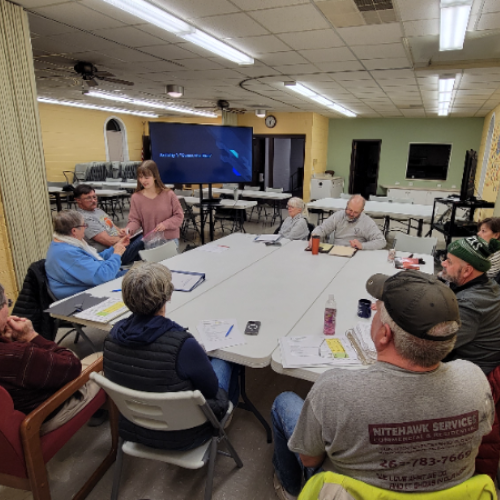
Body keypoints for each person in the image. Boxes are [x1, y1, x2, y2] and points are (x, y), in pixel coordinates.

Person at [272, 270, 494, 499]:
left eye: (378, 310)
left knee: (284, 402)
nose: (374, 311)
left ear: (384, 334)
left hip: (353, 492)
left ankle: (290, 489)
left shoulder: (334, 388)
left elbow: (310, 459)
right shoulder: (474, 379)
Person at [103, 263, 239, 450]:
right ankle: (224, 419)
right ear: (167, 296)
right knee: (227, 357)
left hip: (135, 428)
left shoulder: (111, 337)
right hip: (186, 435)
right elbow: (211, 390)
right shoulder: (183, 345)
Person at [0, 283, 99, 434]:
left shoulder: (15, 354)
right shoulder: (18, 355)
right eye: (8, 303)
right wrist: (31, 336)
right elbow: (72, 366)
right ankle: (102, 411)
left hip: (17, 410)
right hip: (42, 415)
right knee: (101, 359)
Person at [441, 236, 500, 374]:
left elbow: (435, 346)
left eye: (449, 262)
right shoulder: (489, 285)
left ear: (467, 271)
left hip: (471, 374)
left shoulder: (470, 304)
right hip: (468, 358)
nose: (443, 263)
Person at [46, 210, 127, 300]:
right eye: (84, 225)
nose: (85, 228)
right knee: (137, 282)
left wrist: (114, 248)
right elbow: (103, 276)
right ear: (74, 231)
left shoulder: (64, 243)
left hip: (88, 284)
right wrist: (117, 254)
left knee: (135, 274)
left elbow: (95, 258)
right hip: (81, 296)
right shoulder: (67, 253)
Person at [74, 184, 144, 265]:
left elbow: (112, 227)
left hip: (119, 245)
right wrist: (127, 238)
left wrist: (121, 231)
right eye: (88, 198)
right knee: (144, 238)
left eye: (94, 197)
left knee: (148, 236)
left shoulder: (97, 211)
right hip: (110, 254)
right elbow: (109, 241)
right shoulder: (84, 219)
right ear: (78, 200)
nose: (93, 200)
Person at [125, 160, 184, 246]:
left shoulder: (169, 194)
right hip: (150, 241)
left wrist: (165, 224)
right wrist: (128, 229)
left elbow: (179, 216)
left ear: (155, 176)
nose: (143, 180)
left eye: (146, 177)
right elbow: (135, 220)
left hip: (170, 240)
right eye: (140, 177)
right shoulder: (136, 197)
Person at [309, 194, 385, 250]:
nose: (351, 214)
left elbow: (381, 241)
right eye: (350, 210)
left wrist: (362, 246)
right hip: (337, 251)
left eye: (356, 212)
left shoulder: (367, 222)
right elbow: (322, 229)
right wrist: (314, 235)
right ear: (347, 205)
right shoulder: (339, 215)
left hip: (357, 254)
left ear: (362, 211)